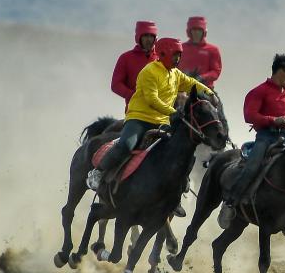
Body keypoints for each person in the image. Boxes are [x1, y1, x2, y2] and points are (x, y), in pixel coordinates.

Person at [87, 38, 214, 191]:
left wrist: (210, 93)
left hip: (163, 120)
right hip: (140, 118)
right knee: (127, 144)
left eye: (179, 55)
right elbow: (152, 99)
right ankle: (98, 173)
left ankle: (178, 187)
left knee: (182, 147)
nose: (178, 59)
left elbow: (191, 83)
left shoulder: (175, 74)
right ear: (163, 53)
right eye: (175, 55)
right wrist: (174, 112)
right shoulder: (149, 72)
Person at [218, 54, 285, 228]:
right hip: (266, 137)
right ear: (280, 71)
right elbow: (250, 116)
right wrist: (274, 120)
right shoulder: (259, 91)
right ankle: (230, 203)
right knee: (252, 167)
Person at [111, 21, 159, 108]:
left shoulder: (162, 58)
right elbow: (116, 85)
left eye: (151, 36)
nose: (148, 39)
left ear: (155, 38)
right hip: (135, 111)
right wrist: (133, 95)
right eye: (145, 36)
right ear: (139, 37)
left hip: (160, 111)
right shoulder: (125, 58)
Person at [180, 16, 222, 89]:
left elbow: (215, 71)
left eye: (199, 30)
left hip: (205, 88)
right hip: (182, 88)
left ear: (204, 32)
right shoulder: (181, 48)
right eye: (194, 30)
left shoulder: (212, 50)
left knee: (216, 101)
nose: (196, 33)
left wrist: (202, 77)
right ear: (189, 32)